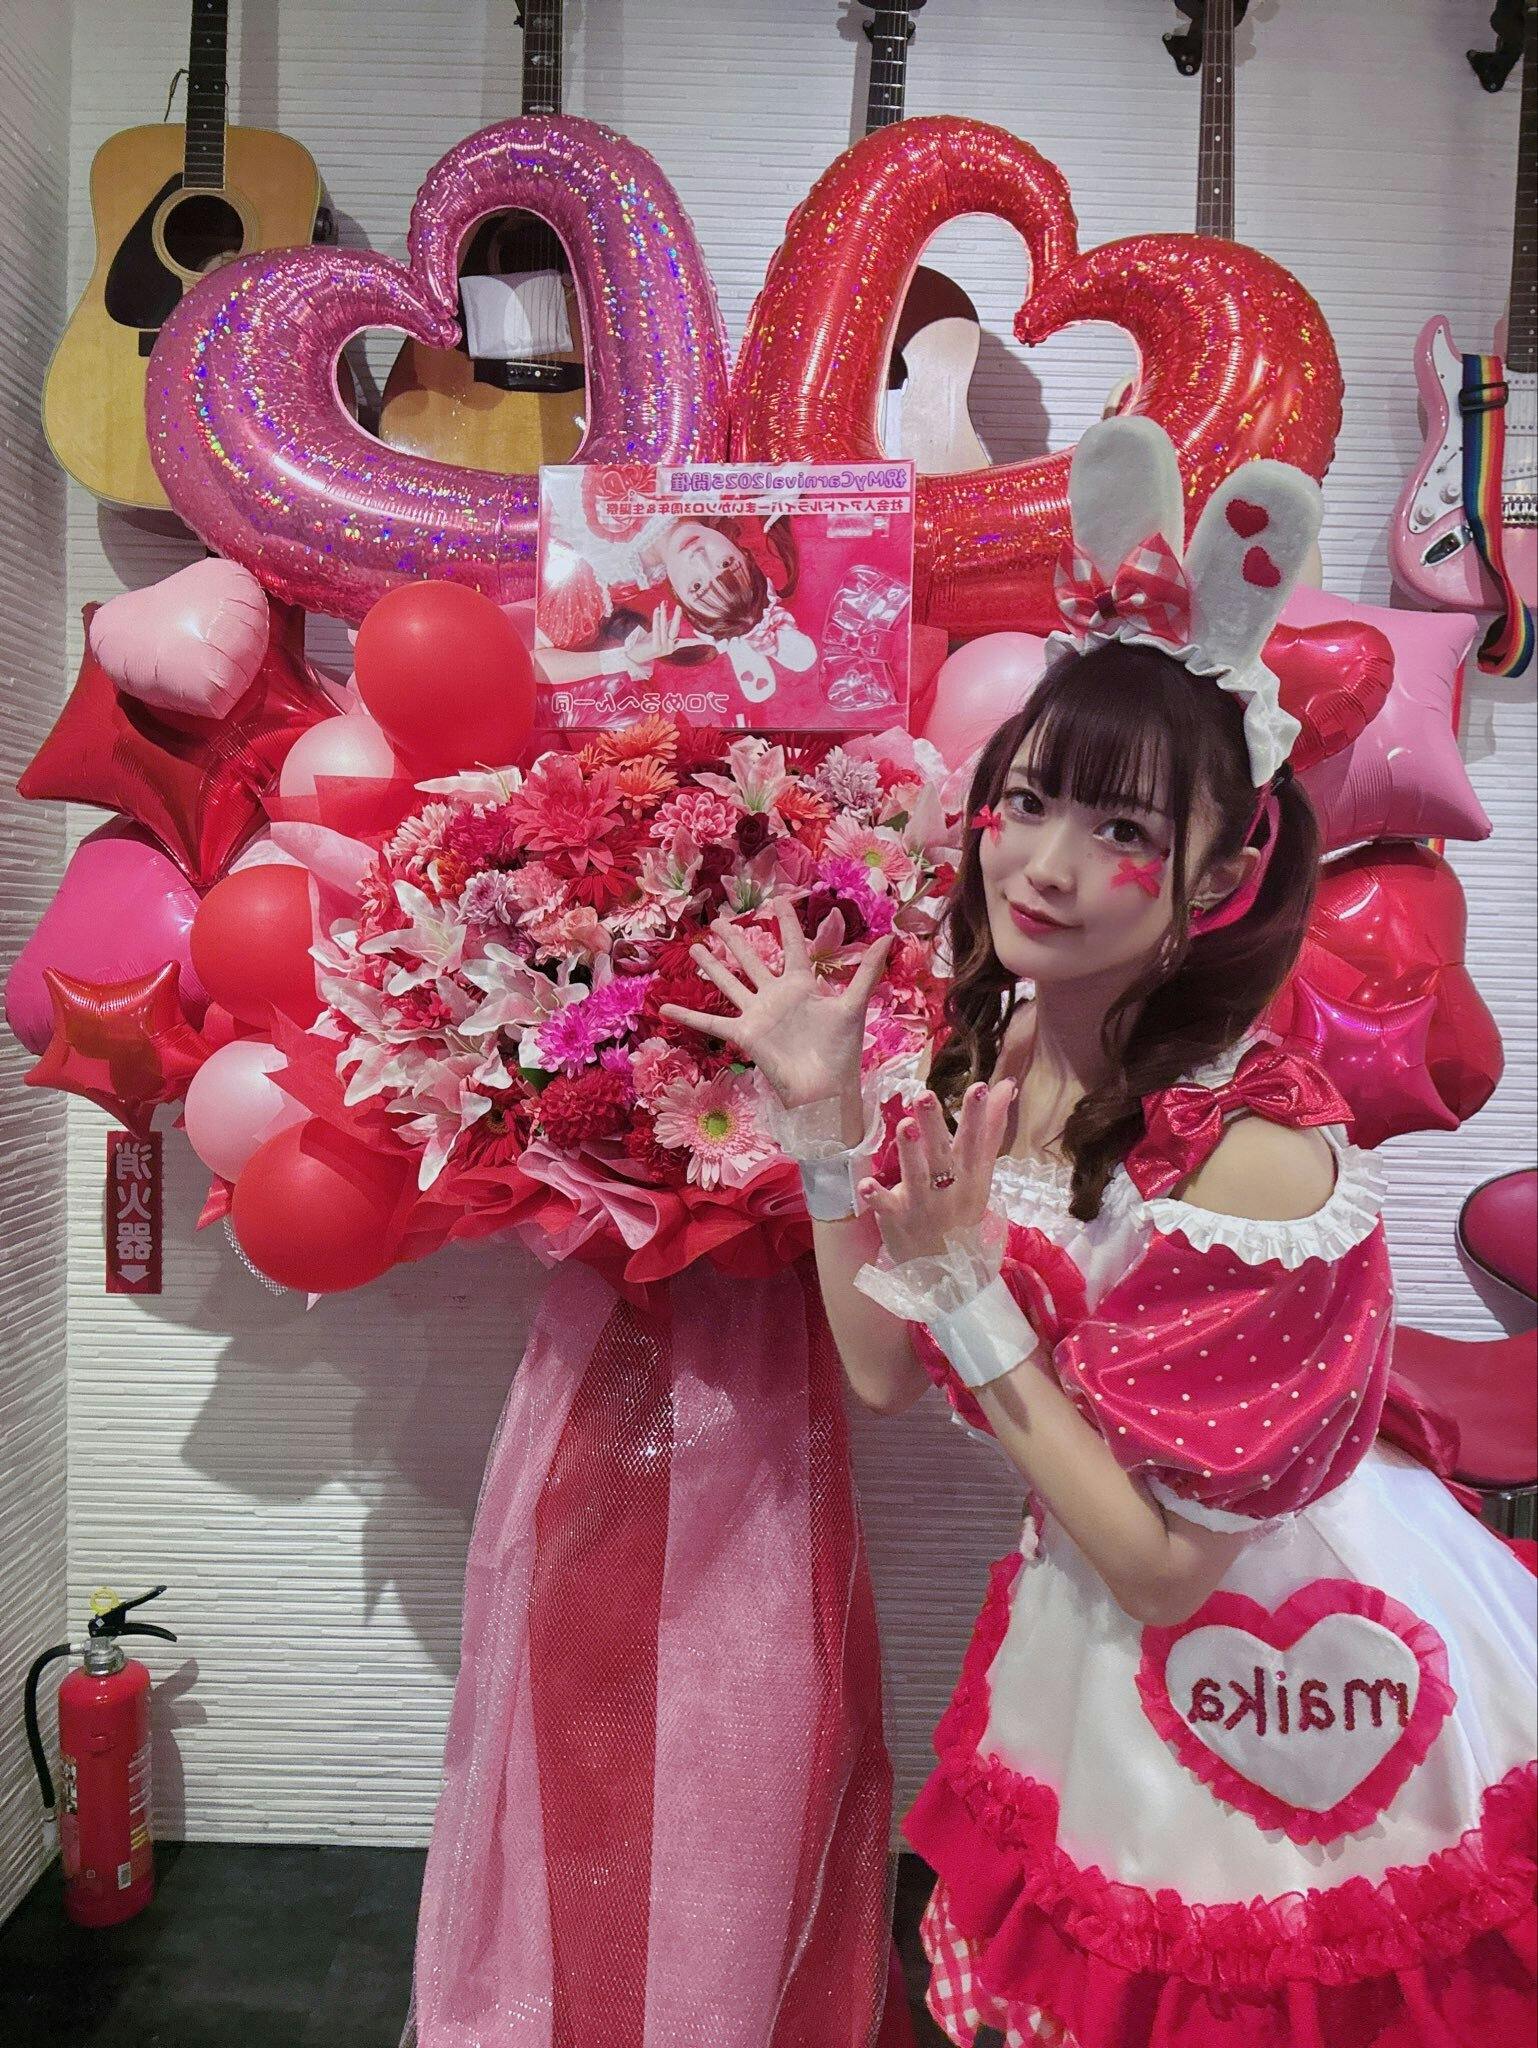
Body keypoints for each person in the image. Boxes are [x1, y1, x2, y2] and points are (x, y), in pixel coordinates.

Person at [660, 420, 1537, 2047]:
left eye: (1123, 831)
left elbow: (1166, 1564)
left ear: (1221, 871)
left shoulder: (1253, 1164)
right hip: (1087, 1599)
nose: (1046, 869)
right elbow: (880, 1375)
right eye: (1029, 802)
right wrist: (824, 1126)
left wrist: (966, 1299)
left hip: (1284, 1634)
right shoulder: (992, 1046)